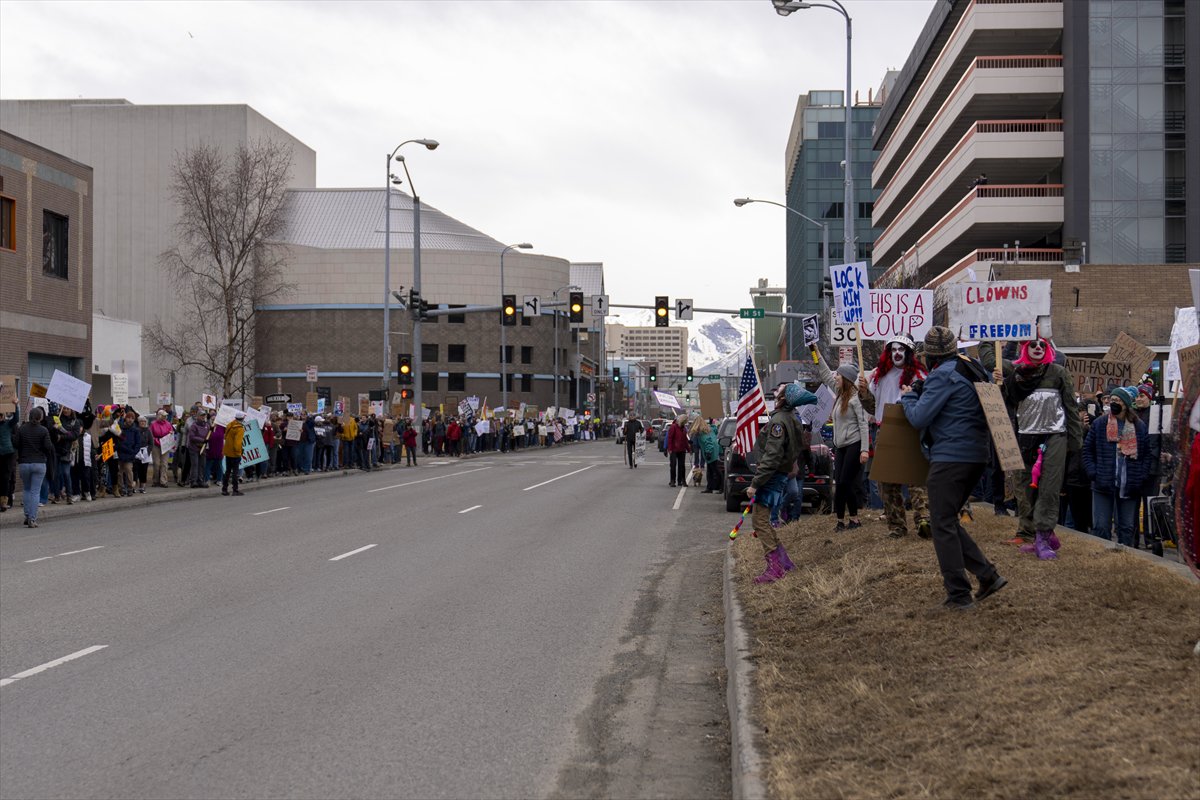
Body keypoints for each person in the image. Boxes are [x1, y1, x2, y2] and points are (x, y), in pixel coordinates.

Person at [900, 327, 1007, 610]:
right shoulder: (974, 368)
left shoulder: (942, 375)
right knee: (946, 520)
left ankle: (959, 594)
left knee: (941, 523)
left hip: (951, 457)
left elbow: (919, 417)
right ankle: (987, 575)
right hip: (977, 456)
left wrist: (909, 396)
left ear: (931, 356)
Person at [982, 336, 1082, 558]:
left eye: (1042, 345)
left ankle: (1043, 538)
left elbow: (1071, 408)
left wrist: (1074, 444)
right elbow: (991, 363)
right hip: (1026, 437)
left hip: (1054, 436)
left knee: (1048, 487)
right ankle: (1035, 531)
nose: (1038, 348)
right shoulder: (1015, 371)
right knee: (1026, 488)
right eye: (1033, 345)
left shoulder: (1058, 373)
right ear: (1025, 348)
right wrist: (988, 337)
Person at [858, 333, 931, 539]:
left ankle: (924, 519)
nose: (897, 353)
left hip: (910, 428)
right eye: (893, 349)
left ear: (908, 352)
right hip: (885, 430)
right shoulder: (879, 376)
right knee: (887, 480)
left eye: (901, 349)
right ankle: (897, 526)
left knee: (916, 477)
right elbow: (873, 407)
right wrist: (863, 393)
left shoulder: (919, 375)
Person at [745, 384, 816, 584]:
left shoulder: (779, 421)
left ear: (783, 398)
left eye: (780, 392)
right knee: (764, 521)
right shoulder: (792, 418)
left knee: (759, 522)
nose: (776, 393)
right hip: (779, 474)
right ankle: (784, 562)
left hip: (771, 476)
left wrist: (755, 483)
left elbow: (772, 455)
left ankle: (774, 568)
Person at [1082, 386, 1149, 548]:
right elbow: (1087, 450)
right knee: (1101, 527)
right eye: (1112, 400)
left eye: (1117, 400)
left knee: (1126, 528)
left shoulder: (1139, 426)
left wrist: (1141, 476)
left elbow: (1146, 454)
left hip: (1129, 485)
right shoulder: (1100, 424)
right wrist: (1093, 472)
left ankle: (1124, 557)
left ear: (1125, 404)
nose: (1113, 403)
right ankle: (1102, 557)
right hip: (1103, 483)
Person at [815, 348, 870, 530]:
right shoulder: (839, 393)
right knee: (839, 483)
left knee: (846, 482)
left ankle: (851, 519)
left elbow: (863, 424)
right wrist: (816, 352)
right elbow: (825, 373)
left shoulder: (856, 398)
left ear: (846, 378)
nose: (835, 377)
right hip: (840, 446)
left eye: (838, 375)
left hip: (854, 444)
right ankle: (843, 521)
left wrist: (864, 449)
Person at [15, 406, 56, 527]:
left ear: (29, 416)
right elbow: (48, 447)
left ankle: (27, 515)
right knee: (35, 491)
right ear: (41, 417)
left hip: (24, 463)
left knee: (27, 489)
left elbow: (16, 443)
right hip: (39, 463)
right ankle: (32, 519)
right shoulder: (43, 430)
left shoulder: (22, 429)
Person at [692, 417, 721, 493]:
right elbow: (715, 431)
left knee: (715, 471)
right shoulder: (709, 429)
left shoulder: (702, 433)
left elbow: (708, 443)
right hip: (714, 451)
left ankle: (720, 487)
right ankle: (710, 488)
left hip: (711, 452)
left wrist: (708, 452)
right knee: (711, 471)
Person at [222, 411, 246, 496]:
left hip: (228, 451)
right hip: (234, 453)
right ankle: (235, 490)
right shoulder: (240, 428)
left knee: (228, 471)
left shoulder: (230, 425)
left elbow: (225, 436)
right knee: (235, 472)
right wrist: (238, 452)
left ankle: (224, 489)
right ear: (242, 419)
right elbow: (237, 443)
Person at [150, 410, 173, 487]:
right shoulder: (153, 424)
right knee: (156, 463)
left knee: (164, 463)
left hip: (165, 444)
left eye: (165, 416)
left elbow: (171, 432)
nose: (164, 417)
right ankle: (155, 480)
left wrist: (170, 434)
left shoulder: (168, 424)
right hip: (156, 445)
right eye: (163, 415)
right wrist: (156, 440)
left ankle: (163, 481)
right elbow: (151, 435)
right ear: (159, 416)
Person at [187, 411, 211, 488]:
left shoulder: (207, 425)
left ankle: (201, 480)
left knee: (202, 465)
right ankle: (193, 481)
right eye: (201, 415)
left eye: (204, 416)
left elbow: (209, 435)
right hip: (194, 448)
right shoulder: (194, 426)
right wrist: (202, 440)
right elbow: (192, 437)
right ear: (197, 416)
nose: (203, 417)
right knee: (195, 464)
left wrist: (208, 437)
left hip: (203, 448)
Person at [0, 405, 16, 512]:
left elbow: (16, 418)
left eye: (1, 415)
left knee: (6, 478)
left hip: (8, 454)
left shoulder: (8, 425)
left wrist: (16, 406)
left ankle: (4, 502)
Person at [666, 413, 690, 487]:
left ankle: (681, 480)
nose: (685, 423)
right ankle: (672, 480)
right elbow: (670, 438)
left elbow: (685, 440)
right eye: (685, 421)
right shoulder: (673, 427)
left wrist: (689, 449)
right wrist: (670, 449)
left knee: (682, 466)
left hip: (682, 449)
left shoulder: (684, 428)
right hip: (674, 449)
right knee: (673, 465)